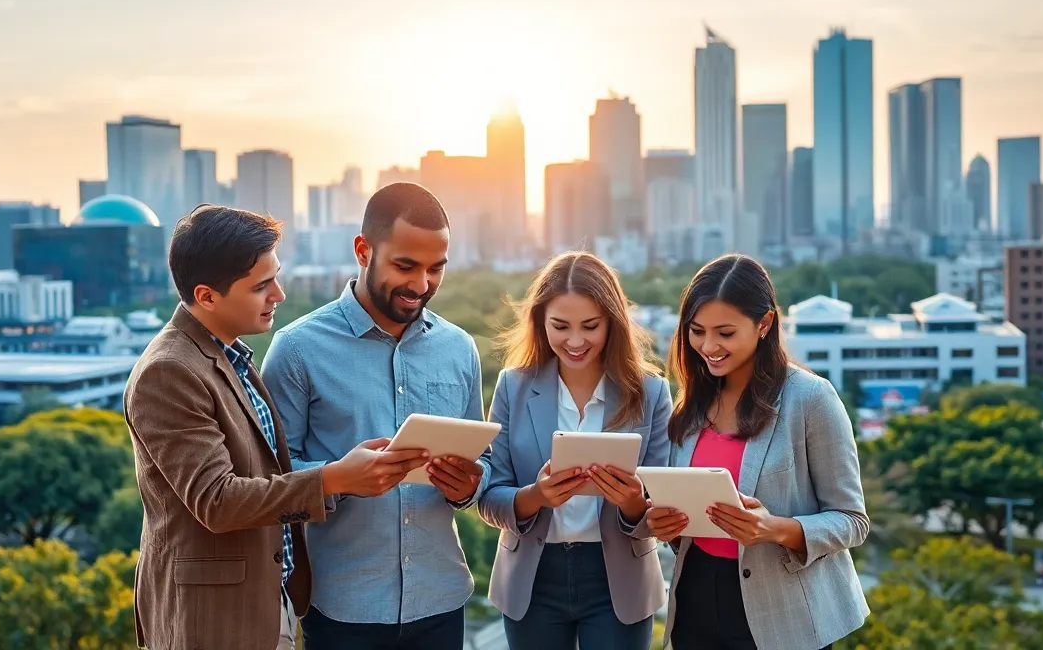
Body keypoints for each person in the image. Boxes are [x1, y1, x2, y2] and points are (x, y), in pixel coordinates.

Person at [124, 205, 432, 650]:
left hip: (268, 599)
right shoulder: (170, 371)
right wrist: (335, 478)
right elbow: (217, 501)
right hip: (211, 619)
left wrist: (342, 473)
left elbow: (263, 475)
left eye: (276, 277)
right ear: (207, 296)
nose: (279, 295)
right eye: (261, 286)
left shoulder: (230, 357)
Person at [263, 183, 488, 650]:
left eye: (436, 268)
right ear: (363, 251)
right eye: (405, 266)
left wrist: (469, 486)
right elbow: (266, 483)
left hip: (441, 601)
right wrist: (337, 479)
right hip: (343, 606)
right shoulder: (297, 349)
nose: (421, 285)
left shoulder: (459, 349)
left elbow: (483, 471)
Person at [642, 254, 869, 650]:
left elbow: (852, 520)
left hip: (784, 610)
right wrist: (665, 527)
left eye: (725, 333)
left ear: (764, 323)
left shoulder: (811, 399)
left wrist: (775, 529)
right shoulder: (690, 404)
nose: (708, 346)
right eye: (696, 331)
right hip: (695, 598)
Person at [478, 252, 670, 650]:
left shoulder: (650, 393)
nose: (576, 341)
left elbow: (664, 508)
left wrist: (634, 502)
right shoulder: (513, 387)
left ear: (612, 324)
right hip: (532, 580)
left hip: (618, 581)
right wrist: (536, 496)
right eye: (560, 326)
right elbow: (488, 496)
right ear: (540, 322)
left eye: (591, 326)